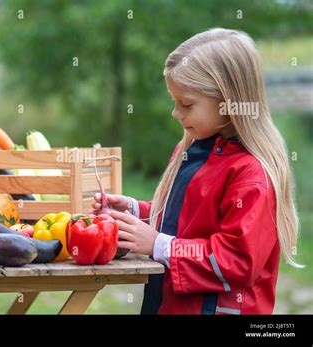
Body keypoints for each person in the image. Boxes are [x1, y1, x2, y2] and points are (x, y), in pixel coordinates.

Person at [92, 28, 302, 314]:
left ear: (228, 103)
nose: (175, 113)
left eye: (186, 104)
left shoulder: (251, 173)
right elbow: (188, 219)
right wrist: (136, 212)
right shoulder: (191, 150)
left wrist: (157, 244)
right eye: (174, 101)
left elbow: (236, 259)